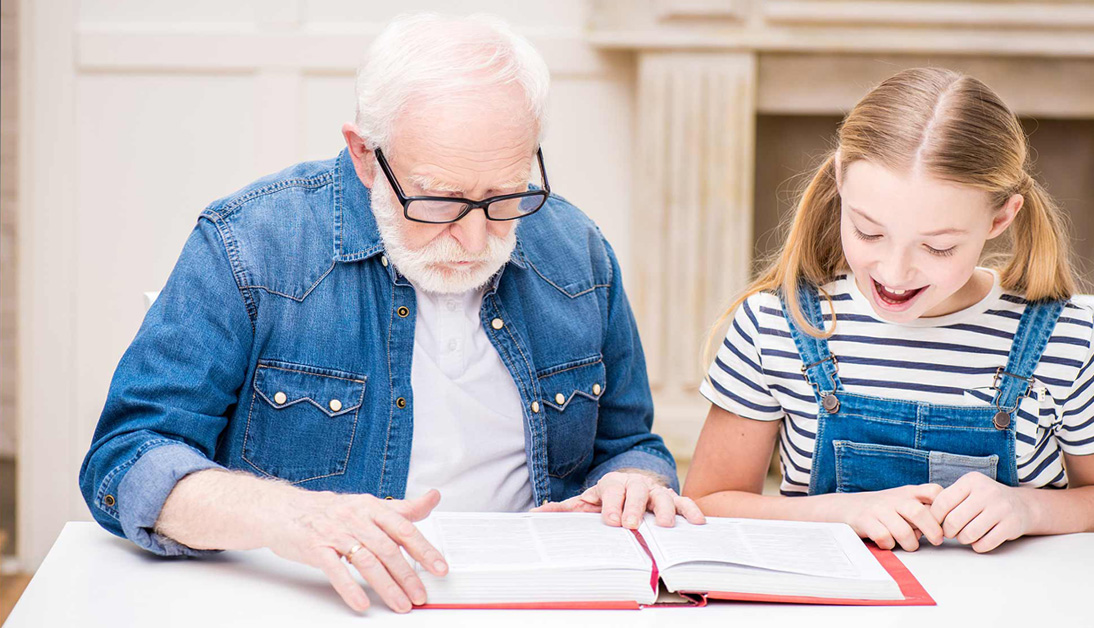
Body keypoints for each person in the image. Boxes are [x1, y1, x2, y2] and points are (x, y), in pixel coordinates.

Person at [79, 13, 701, 614]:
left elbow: (631, 446)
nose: (478, 240)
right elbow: (127, 457)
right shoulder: (250, 245)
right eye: (440, 201)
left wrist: (636, 480)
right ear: (363, 154)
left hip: (527, 602)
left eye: (505, 195)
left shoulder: (576, 250)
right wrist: (291, 516)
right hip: (309, 603)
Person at [682, 67, 1094, 554]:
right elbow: (708, 502)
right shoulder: (776, 326)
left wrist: (1029, 508)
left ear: (1000, 218)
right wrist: (841, 513)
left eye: (939, 247)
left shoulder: (1066, 339)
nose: (895, 271)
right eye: (869, 232)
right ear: (841, 178)